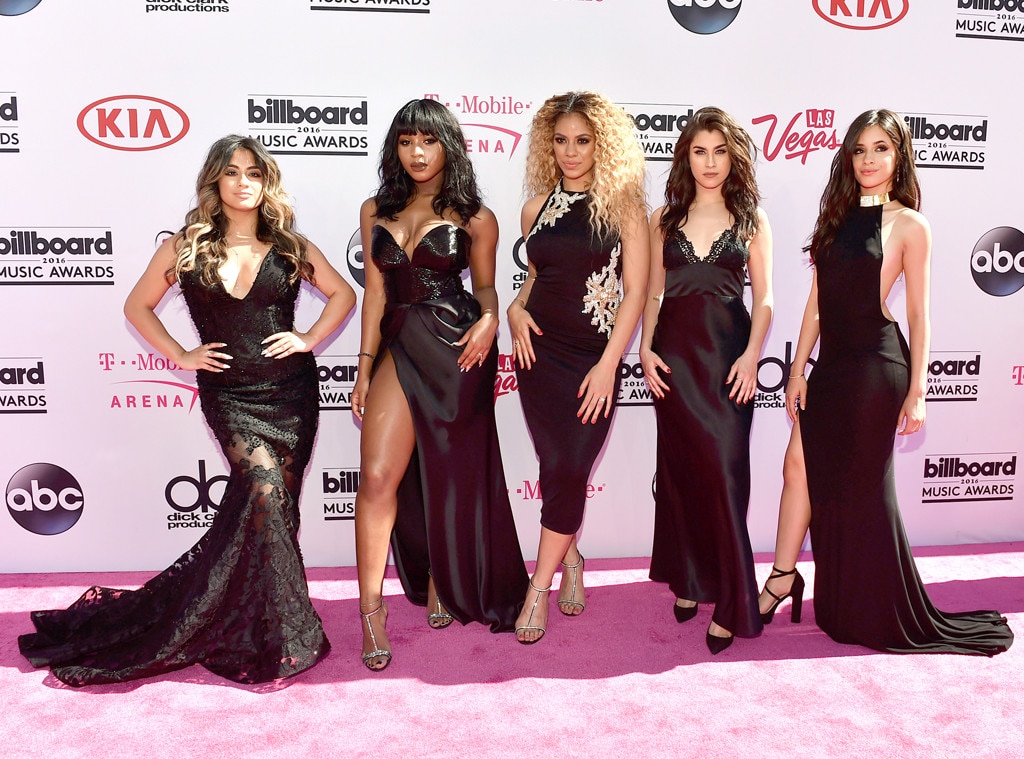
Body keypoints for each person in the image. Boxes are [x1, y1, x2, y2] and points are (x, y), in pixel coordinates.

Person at [18, 135, 356, 685]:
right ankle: (289, 635)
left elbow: (344, 294)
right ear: (215, 182)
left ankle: (259, 622)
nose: (243, 182)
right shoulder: (187, 245)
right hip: (229, 395)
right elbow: (137, 305)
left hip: (291, 394)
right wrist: (180, 354)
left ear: (266, 182)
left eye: (254, 172)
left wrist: (309, 338)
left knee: (277, 513)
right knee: (265, 492)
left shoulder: (292, 246)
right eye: (232, 173)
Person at [760, 109, 1013, 655]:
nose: (869, 160)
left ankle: (872, 608)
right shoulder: (837, 217)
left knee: (866, 488)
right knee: (798, 465)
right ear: (848, 158)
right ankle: (784, 577)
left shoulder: (910, 224)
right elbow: (815, 304)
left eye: (880, 149)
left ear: (899, 157)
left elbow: (920, 315)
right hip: (832, 365)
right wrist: (799, 367)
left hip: (877, 365)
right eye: (859, 150)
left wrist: (919, 389)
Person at [350, 99, 528, 670]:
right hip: (398, 345)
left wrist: (491, 319)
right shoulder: (376, 208)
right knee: (378, 475)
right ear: (395, 149)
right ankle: (371, 611)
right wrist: (363, 363)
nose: (417, 152)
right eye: (405, 141)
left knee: (451, 477)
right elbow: (375, 294)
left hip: (457, 350)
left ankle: (445, 585)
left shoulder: (476, 217)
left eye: (427, 140)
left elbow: (486, 291)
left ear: (448, 145)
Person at [509, 91, 649, 644]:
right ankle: (571, 560)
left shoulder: (624, 207)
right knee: (554, 466)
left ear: (603, 144)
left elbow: (636, 292)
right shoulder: (535, 209)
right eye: (561, 141)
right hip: (537, 356)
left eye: (583, 141)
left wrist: (609, 364)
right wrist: (517, 310)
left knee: (569, 466)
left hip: (593, 359)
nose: (571, 152)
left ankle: (536, 587)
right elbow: (537, 279)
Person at [641, 107, 773, 655]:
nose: (710, 162)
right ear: (685, 157)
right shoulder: (664, 220)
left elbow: (764, 299)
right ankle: (691, 579)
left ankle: (730, 600)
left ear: (732, 156)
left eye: (720, 151)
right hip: (674, 362)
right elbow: (653, 292)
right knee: (681, 476)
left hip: (726, 365)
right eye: (699, 151)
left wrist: (749, 358)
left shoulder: (751, 218)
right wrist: (645, 350)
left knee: (722, 476)